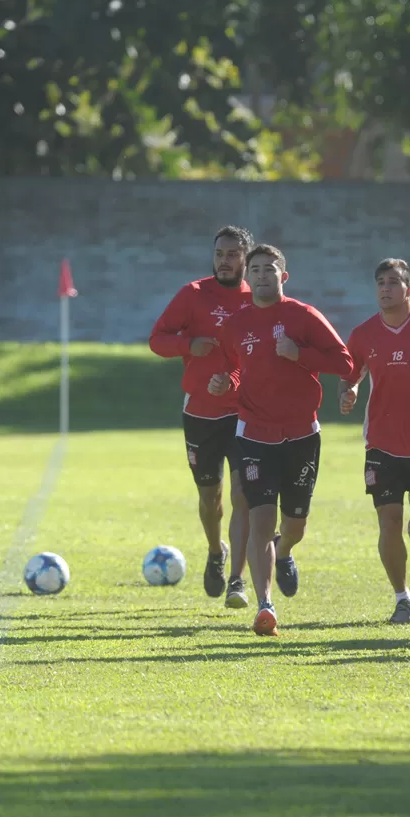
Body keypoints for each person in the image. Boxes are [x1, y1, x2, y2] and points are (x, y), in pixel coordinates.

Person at [218, 245, 354, 636]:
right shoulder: (235, 324)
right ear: (248, 276)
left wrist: (300, 355)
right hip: (254, 434)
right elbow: (233, 370)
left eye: (269, 269)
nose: (262, 275)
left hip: (300, 435)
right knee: (260, 517)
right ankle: (265, 606)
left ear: (284, 276)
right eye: (255, 269)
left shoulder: (303, 316)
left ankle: (286, 551)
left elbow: (344, 363)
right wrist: (223, 382)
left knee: (293, 525)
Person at [148, 225, 255, 609]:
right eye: (218, 254)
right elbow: (157, 339)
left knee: (244, 494)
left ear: (246, 257)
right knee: (211, 498)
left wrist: (235, 380)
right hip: (200, 414)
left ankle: (238, 580)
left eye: (231, 254)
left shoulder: (257, 297)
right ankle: (215, 551)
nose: (223, 261)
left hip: (245, 414)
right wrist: (188, 344)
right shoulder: (192, 295)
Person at [340, 258, 410, 624]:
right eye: (380, 282)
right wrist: (349, 390)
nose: (385, 288)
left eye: (393, 282)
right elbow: (351, 372)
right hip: (382, 443)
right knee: (388, 521)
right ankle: (403, 598)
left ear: (409, 289)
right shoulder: (363, 333)